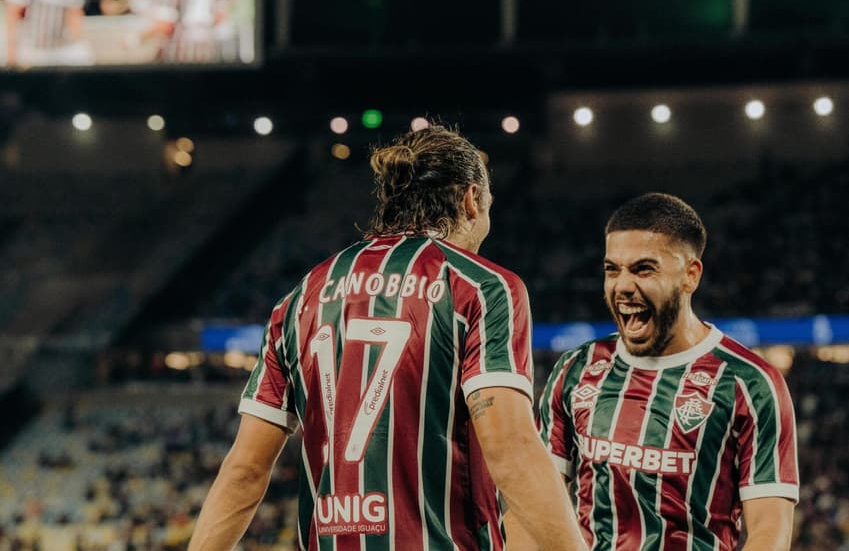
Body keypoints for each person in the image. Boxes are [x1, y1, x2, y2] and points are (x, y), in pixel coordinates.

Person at [188, 125, 587, 550]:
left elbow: (245, 471)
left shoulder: (300, 299)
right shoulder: (482, 287)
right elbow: (512, 452)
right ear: (472, 200)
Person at [538, 192, 798, 550]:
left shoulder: (749, 383)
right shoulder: (577, 368)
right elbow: (535, 504)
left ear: (691, 275)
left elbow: (770, 532)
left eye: (644, 269)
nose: (622, 286)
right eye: (612, 269)